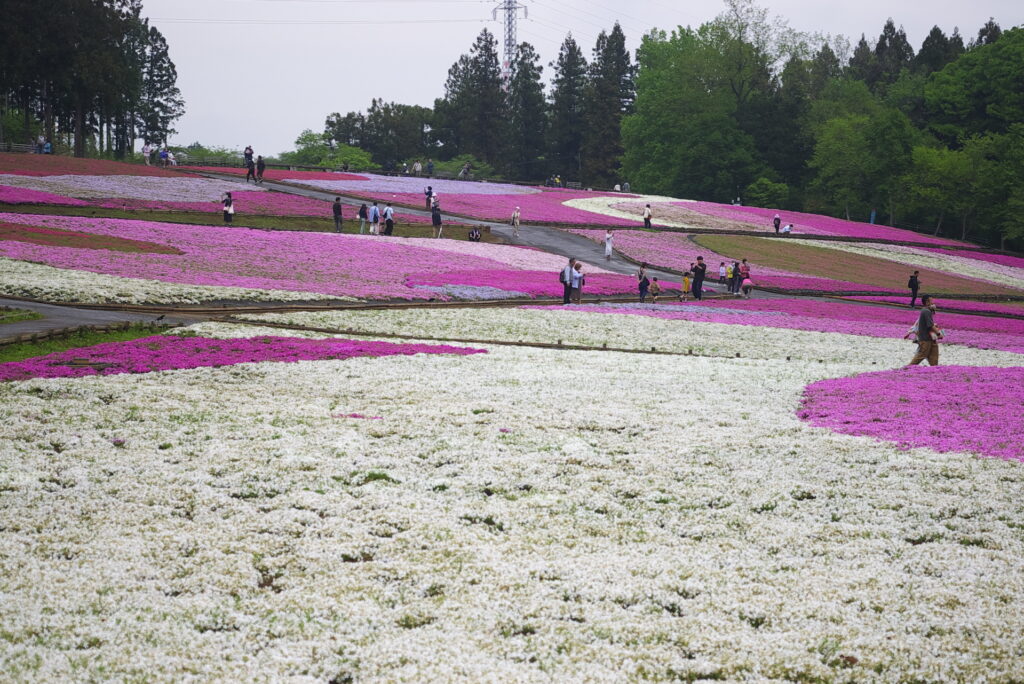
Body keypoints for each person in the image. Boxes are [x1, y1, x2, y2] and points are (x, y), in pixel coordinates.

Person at [908, 295, 942, 366]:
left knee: (934, 356)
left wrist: (932, 309)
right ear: (927, 302)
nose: (933, 303)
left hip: (931, 338)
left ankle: (935, 370)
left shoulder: (927, 310)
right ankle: (907, 369)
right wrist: (939, 334)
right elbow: (931, 325)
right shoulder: (926, 311)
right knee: (921, 355)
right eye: (931, 301)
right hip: (925, 339)